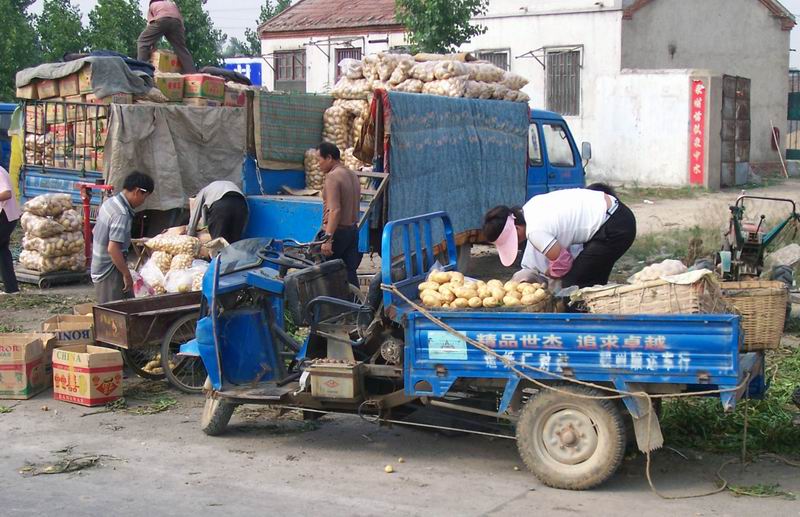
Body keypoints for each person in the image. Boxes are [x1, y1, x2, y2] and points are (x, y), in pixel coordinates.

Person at [483, 184, 636, 289]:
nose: (518, 243)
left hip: (614, 227)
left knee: (573, 286)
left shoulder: (534, 231)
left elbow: (563, 262)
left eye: (513, 240)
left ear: (516, 228)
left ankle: (578, 329)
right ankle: (593, 322)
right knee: (590, 279)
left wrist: (551, 272)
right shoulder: (530, 206)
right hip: (616, 218)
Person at [92, 172, 154, 304]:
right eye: (145, 197)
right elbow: (113, 249)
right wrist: (126, 274)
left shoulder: (110, 202)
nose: (144, 202)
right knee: (112, 315)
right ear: (138, 191)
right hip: (108, 271)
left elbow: (94, 230)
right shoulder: (121, 214)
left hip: (100, 266)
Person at [318, 142, 362, 286]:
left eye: (320, 159)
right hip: (352, 231)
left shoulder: (332, 177)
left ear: (329, 158)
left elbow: (335, 210)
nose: (318, 164)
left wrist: (328, 239)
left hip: (337, 232)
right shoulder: (352, 174)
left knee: (325, 274)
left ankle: (330, 306)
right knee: (350, 272)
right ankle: (356, 306)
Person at [137, 0, 196, 74]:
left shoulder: (152, 5)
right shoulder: (171, 3)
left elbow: (151, 29)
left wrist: (153, 48)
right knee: (181, 49)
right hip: (177, 22)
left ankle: (142, 72)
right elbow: (181, 24)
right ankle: (193, 75)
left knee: (142, 42)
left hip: (162, 19)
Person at [0, 166, 20, 295]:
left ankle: (11, 288)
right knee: (2, 250)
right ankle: (11, 288)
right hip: (6, 216)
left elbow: (7, 193)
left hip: (6, 216)